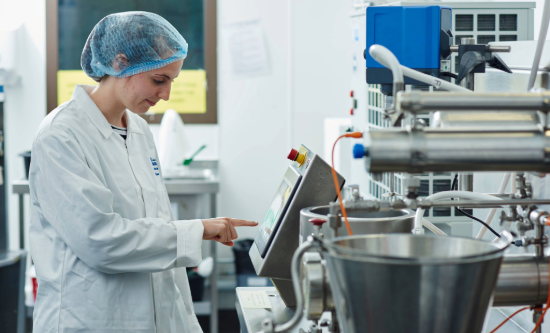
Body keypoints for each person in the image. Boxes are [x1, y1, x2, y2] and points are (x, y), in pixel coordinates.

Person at [29, 12, 257, 333]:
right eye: (158, 80)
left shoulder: (137, 127)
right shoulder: (61, 134)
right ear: (121, 63)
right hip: (89, 318)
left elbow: (156, 224)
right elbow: (101, 242)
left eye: (171, 81)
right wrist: (196, 230)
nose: (166, 95)